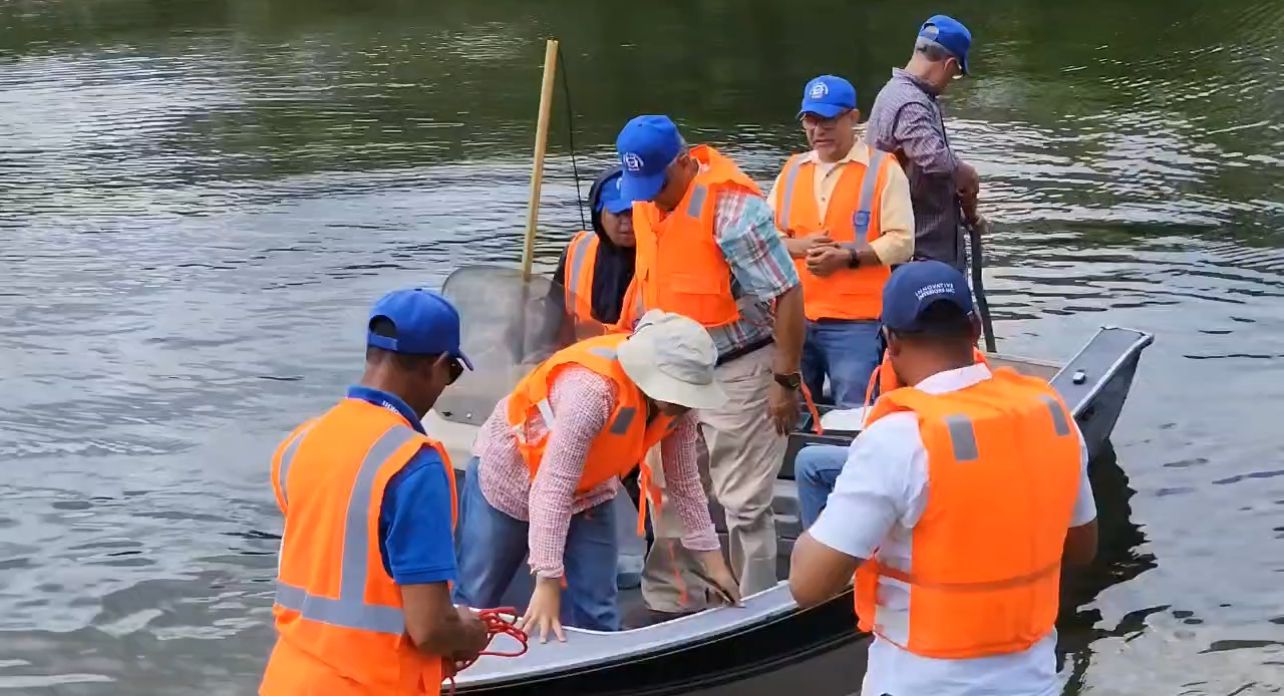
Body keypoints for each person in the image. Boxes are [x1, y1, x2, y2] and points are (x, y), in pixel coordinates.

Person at [787, 260, 1099, 696]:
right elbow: (1082, 547)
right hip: (1032, 682)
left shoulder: (898, 438)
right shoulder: (1052, 414)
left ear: (890, 342)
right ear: (974, 329)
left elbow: (809, 586)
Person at [614, 114, 806, 613]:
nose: (651, 196)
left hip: (738, 364)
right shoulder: (642, 199)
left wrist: (784, 381)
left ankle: (757, 606)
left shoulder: (734, 211)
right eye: (641, 185)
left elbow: (788, 295)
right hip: (668, 372)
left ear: (684, 161)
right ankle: (669, 603)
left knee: (742, 502)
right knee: (666, 491)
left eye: (659, 183)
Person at [453, 310, 740, 642]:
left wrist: (715, 566)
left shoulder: (679, 408)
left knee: (599, 611)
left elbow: (686, 485)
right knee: (477, 597)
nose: (686, 402)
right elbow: (552, 487)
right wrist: (547, 580)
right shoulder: (592, 392)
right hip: (510, 480)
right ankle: (456, 674)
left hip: (589, 493)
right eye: (681, 390)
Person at [260, 289, 489, 696]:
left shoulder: (300, 443)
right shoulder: (414, 463)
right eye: (452, 373)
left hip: (287, 677)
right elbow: (431, 629)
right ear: (437, 365)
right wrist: (470, 631)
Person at [768, 74, 915, 407]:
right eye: (811, 120)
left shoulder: (883, 169)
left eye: (829, 120)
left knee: (855, 412)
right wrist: (798, 247)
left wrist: (846, 257)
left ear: (853, 118)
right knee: (794, 410)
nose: (819, 130)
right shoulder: (792, 170)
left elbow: (903, 243)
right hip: (796, 319)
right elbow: (766, 238)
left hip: (857, 324)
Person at [865, 14, 980, 272]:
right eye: (956, 74)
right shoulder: (910, 103)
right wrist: (966, 174)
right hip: (920, 259)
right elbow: (935, 160)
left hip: (916, 255)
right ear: (950, 64)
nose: (951, 83)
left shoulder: (898, 93)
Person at [551, 166, 643, 338]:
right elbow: (552, 311)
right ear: (599, 213)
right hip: (580, 356)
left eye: (633, 213)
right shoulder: (577, 250)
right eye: (618, 214)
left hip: (637, 358)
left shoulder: (662, 254)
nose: (627, 224)